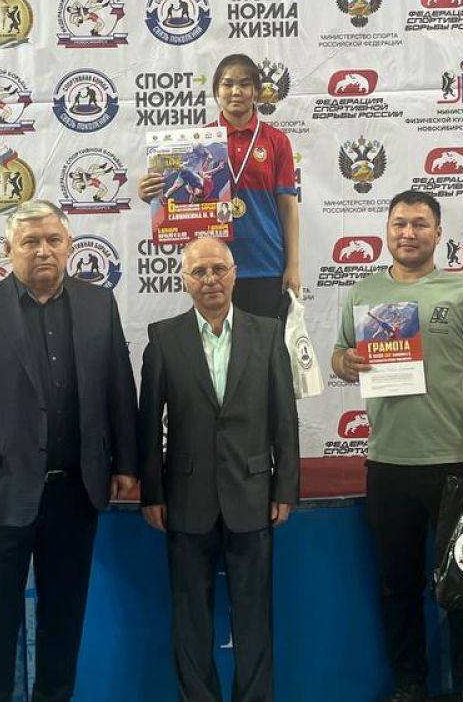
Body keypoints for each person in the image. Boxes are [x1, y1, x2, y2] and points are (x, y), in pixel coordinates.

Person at [0, 199, 139, 702]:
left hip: (77, 492)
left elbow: (119, 387)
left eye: (53, 240)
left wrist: (127, 464)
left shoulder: (99, 304)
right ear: (9, 250)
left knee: (64, 621)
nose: (43, 251)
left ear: (69, 247)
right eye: (30, 242)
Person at [330, 190, 463, 702]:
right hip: (388, 463)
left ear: (438, 233)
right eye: (400, 223)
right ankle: (409, 682)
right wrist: (346, 363)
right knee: (398, 583)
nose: (409, 233)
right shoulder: (364, 292)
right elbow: (339, 354)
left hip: (457, 462)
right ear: (387, 230)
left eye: (420, 224)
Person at [139, 237, 299, 702]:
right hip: (186, 500)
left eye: (218, 269)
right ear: (184, 280)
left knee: (254, 619)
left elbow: (284, 418)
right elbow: (147, 423)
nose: (210, 279)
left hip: (253, 496)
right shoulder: (163, 338)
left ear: (234, 274)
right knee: (190, 622)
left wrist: (285, 488)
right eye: (199, 272)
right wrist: (153, 494)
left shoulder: (267, 333)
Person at [140, 54, 300, 320]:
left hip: (265, 263)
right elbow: (175, 197)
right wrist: (150, 193)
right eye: (227, 84)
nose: (236, 91)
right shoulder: (197, 141)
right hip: (212, 268)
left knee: (265, 344)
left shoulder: (276, 141)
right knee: (215, 343)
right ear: (216, 91)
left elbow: (288, 207)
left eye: (245, 84)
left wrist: (292, 265)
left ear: (256, 91)